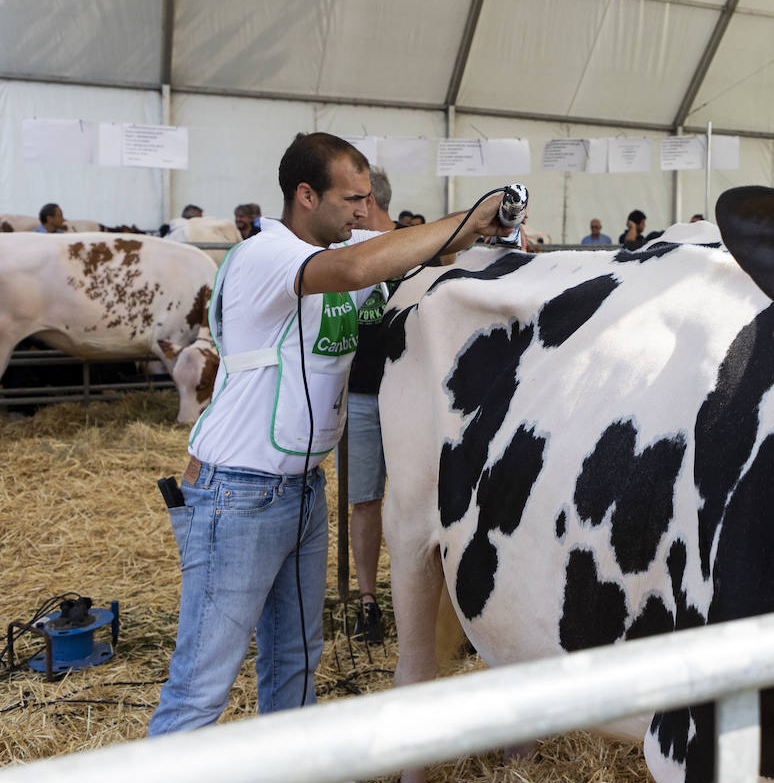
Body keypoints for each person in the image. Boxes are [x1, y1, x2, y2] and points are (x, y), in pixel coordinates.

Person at [148, 132, 517, 736]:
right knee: (202, 684)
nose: (361, 211)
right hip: (236, 492)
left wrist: (484, 231)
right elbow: (356, 267)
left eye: (367, 198)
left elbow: (411, 251)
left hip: (300, 489)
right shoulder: (267, 255)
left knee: (296, 662)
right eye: (350, 198)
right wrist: (467, 216)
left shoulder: (350, 242)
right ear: (304, 195)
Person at [337, 166, 396, 644]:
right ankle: (368, 601)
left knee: (429, 497)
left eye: (351, 200)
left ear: (368, 200)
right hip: (358, 395)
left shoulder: (415, 250)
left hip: (409, 396)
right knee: (364, 500)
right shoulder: (341, 255)